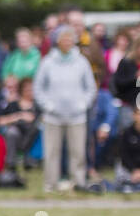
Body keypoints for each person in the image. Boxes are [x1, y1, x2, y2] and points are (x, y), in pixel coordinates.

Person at [33, 25, 94, 191]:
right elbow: (38, 88)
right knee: (52, 151)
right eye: (64, 38)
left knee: (78, 151)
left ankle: (78, 182)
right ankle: (50, 183)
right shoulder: (47, 62)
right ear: (57, 41)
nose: (67, 41)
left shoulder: (82, 62)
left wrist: (83, 104)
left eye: (70, 38)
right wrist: (48, 105)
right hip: (53, 116)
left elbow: (90, 88)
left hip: (77, 116)